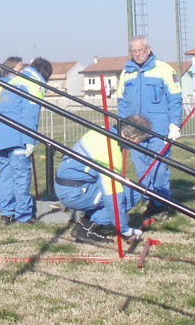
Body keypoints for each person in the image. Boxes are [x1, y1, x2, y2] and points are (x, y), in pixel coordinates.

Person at [54, 114, 149, 244]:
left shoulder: (103, 130)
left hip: (66, 184)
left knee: (122, 187)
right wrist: (124, 229)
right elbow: (113, 196)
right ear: (133, 137)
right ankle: (88, 228)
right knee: (134, 191)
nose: (140, 144)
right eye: (140, 141)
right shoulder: (110, 152)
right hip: (75, 192)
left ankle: (86, 223)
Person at [116, 35, 183, 217]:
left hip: (158, 131)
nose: (138, 54)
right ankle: (150, 201)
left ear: (148, 49)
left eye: (140, 50)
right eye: (134, 51)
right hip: (135, 132)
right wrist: (122, 126)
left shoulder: (163, 69)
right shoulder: (126, 73)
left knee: (158, 169)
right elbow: (122, 102)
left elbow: (175, 99)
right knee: (142, 169)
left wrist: (174, 125)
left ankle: (161, 204)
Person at [0, 57, 52, 225]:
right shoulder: (34, 84)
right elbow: (30, 113)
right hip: (18, 137)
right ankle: (23, 213)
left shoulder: (12, 81)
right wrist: (29, 139)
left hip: (1, 137)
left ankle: (6, 213)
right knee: (21, 176)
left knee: (6, 176)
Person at [0, 56, 23, 217]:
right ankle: (4, 205)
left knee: (5, 171)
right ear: (10, 69)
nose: (22, 72)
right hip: (10, 133)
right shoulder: (9, 86)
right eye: (20, 69)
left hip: (2, 134)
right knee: (10, 172)